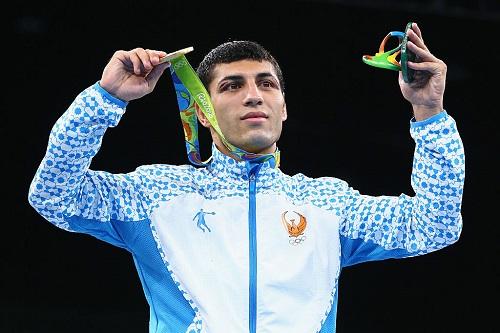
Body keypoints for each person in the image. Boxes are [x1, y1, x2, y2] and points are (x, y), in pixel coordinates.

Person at [28, 22, 465, 333]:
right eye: (232, 85)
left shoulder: (330, 205)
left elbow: (435, 225)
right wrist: (104, 100)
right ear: (201, 109)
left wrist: (430, 113)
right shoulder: (156, 195)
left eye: (267, 84)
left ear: (284, 107)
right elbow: (53, 193)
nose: (254, 95)